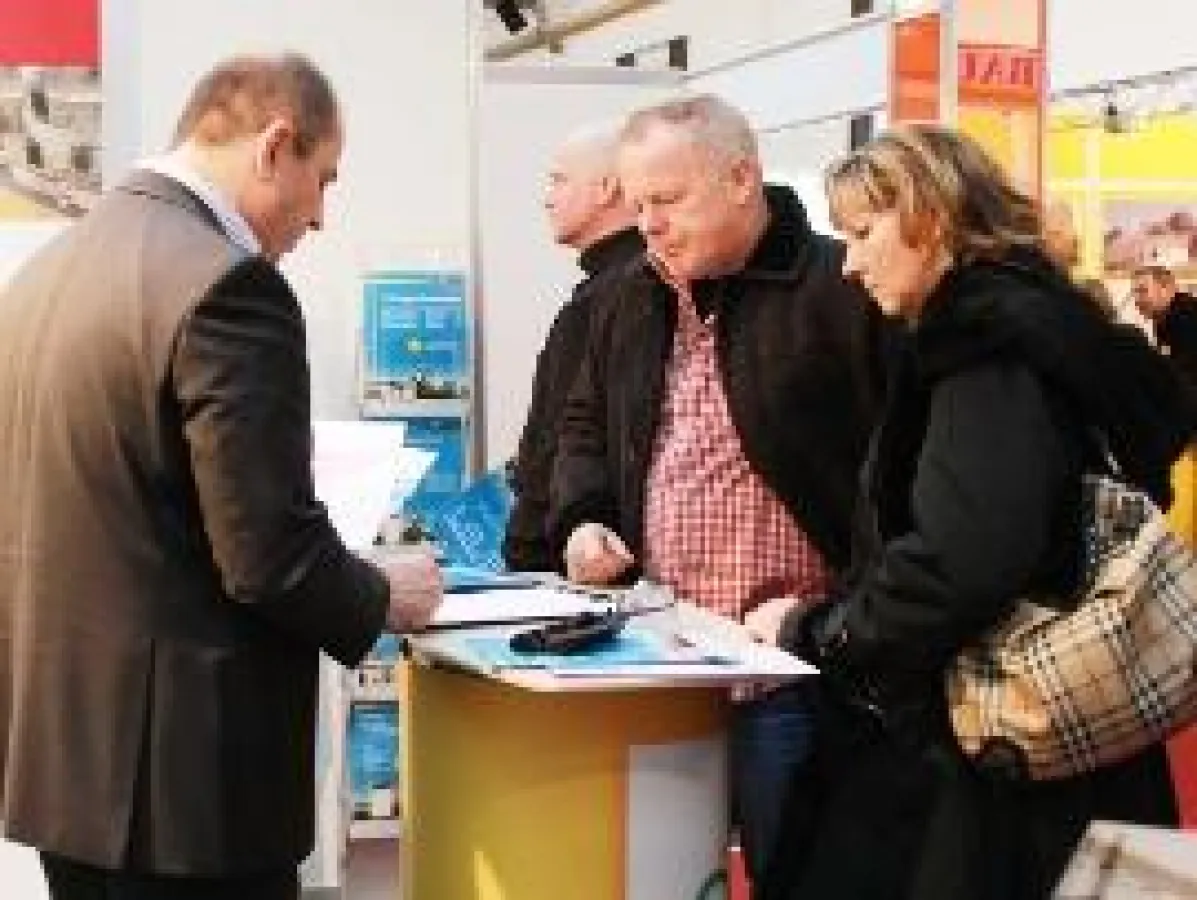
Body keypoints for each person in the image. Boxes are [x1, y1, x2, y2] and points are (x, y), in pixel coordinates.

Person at [0, 53, 443, 900]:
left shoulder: (47, 273)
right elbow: (268, 553)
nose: (318, 217)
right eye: (323, 179)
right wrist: (381, 594)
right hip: (188, 793)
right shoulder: (228, 287)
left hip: (67, 768)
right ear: (276, 144)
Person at [762, 125, 1195, 900]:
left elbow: (966, 556)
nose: (851, 263)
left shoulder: (983, 351)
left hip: (996, 747)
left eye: (864, 233)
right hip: (1069, 725)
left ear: (929, 215)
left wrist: (827, 631)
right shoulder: (1045, 328)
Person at [549, 94, 887, 890]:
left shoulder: (840, 292)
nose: (650, 225)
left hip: (792, 674)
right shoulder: (629, 294)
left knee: (802, 876)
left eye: (667, 201)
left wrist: (848, 617)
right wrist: (583, 519)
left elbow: (893, 468)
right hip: (659, 668)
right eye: (637, 206)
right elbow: (584, 424)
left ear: (742, 179)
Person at [502, 123, 643, 572]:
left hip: (570, 556)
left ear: (606, 188)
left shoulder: (621, 295)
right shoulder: (605, 289)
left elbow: (565, 437)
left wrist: (530, 549)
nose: (547, 197)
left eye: (559, 179)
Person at [1131, 264, 1197, 388]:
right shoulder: (1165, 318)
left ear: (1167, 288)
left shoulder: (1185, 318)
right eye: (1134, 293)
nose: (1136, 299)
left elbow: (1184, 380)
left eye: (1143, 291)